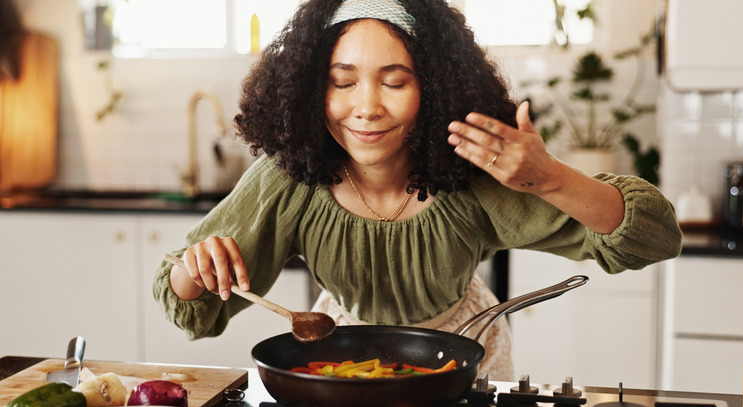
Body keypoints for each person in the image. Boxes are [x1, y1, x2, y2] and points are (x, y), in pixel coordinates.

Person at [153, 0, 682, 381]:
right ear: (311, 90)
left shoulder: (472, 174)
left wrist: (550, 178)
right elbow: (186, 304)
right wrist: (191, 270)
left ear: (432, 88)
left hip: (464, 356)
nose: (366, 107)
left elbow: (653, 238)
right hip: (340, 355)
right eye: (342, 81)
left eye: (395, 81)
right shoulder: (291, 177)